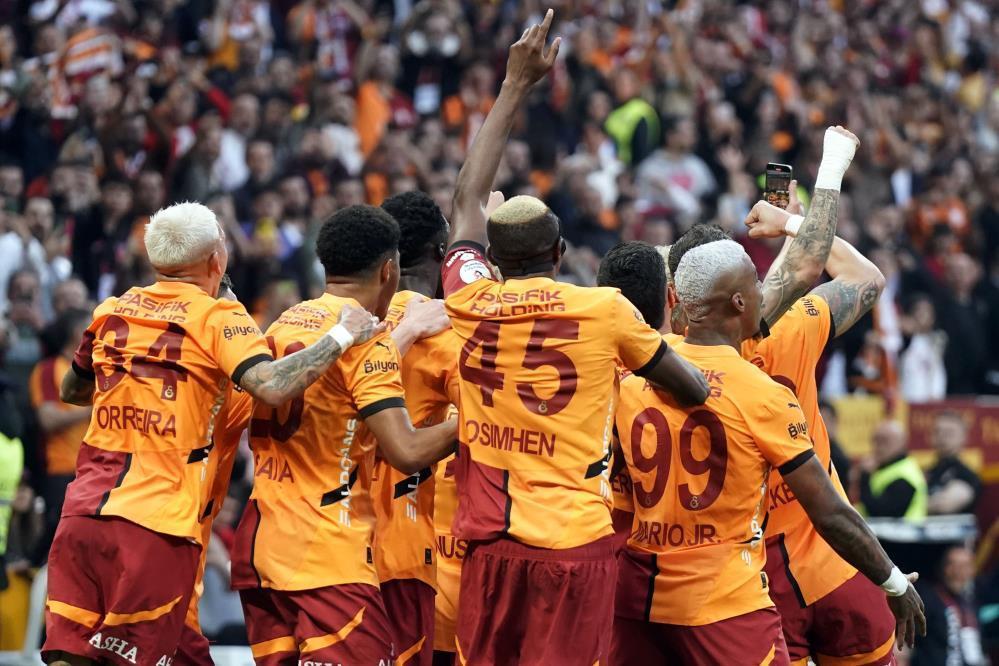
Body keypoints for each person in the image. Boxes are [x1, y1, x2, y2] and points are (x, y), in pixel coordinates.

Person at [441, 12, 709, 664]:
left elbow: (466, 200)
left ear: (493, 258)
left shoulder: (469, 298)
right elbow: (691, 388)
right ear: (560, 252)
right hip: (574, 543)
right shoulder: (604, 309)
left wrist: (514, 84)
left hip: (490, 545)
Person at [43, 201, 382, 666]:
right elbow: (271, 385)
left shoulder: (110, 311)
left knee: (73, 656)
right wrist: (341, 336)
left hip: (82, 514)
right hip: (156, 523)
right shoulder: (220, 317)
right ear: (216, 259)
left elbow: (73, 390)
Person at [612, 239, 925, 663]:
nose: (766, 290)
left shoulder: (632, 375)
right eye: (756, 284)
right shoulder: (762, 391)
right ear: (739, 301)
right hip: (724, 597)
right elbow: (830, 513)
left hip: (638, 596)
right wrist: (894, 583)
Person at [230, 204, 459, 666]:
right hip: (326, 553)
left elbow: (328, 399)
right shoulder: (367, 342)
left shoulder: (285, 323)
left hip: (261, 548)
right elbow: (406, 451)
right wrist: (473, 419)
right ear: (389, 270)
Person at [370, 190, 457, 666]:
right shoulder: (443, 330)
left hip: (337, 541)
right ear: (443, 253)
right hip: (403, 546)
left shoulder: (345, 320)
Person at [29, 308, 92, 545]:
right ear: (77, 332)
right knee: (57, 543)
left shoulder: (98, 370)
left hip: (92, 471)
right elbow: (47, 419)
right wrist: (91, 410)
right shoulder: (49, 369)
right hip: (60, 469)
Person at [912, 545, 986, 666]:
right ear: (945, 568)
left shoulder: (972, 600)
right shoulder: (928, 597)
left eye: (966, 566)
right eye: (956, 565)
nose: (960, 571)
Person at [860, 420, 929, 520]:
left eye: (885, 440)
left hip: (905, 530)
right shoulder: (884, 468)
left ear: (901, 442)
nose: (878, 446)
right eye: (875, 440)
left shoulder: (905, 475)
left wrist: (865, 478)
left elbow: (881, 513)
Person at [927, 410, 981, 515]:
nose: (942, 437)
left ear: (963, 437)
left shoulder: (966, 475)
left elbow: (943, 505)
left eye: (949, 433)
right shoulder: (929, 472)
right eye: (937, 431)